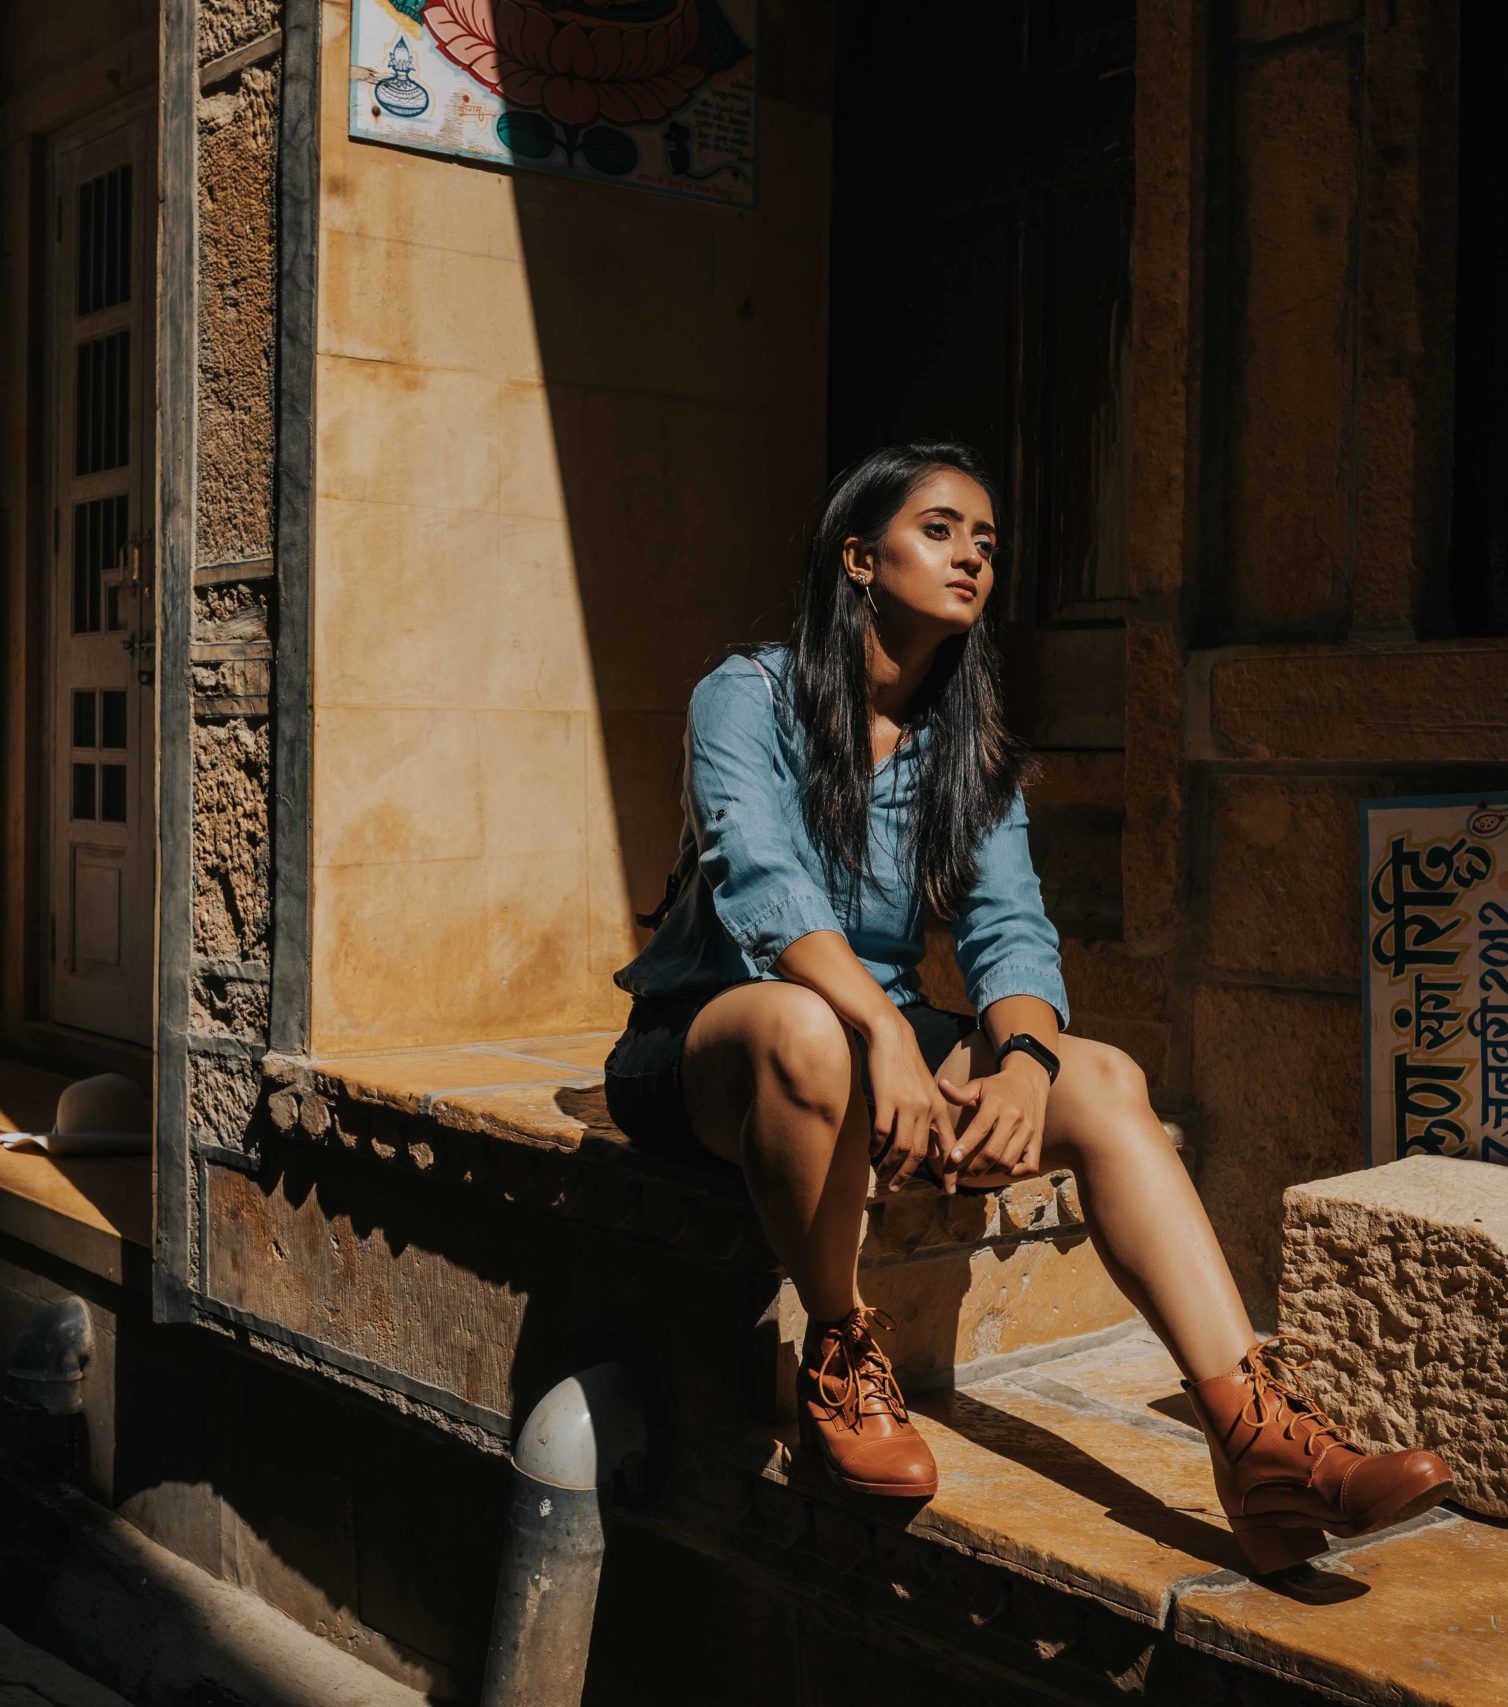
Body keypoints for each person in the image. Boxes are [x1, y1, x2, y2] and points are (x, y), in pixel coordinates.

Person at [606, 443, 1453, 1574]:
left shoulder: (971, 746)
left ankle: (1259, 1441)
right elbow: (762, 884)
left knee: (1103, 1079)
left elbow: (1010, 931)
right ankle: (842, 1357)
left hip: (880, 1040)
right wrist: (883, 1035)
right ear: (859, 558)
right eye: (940, 529)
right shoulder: (746, 695)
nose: (971, 557)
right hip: (716, 1040)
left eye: (987, 543)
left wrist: (1021, 1067)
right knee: (806, 1026)